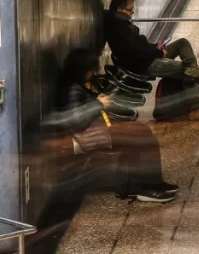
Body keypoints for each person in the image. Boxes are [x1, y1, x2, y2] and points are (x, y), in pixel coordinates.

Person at [50, 49, 179, 202]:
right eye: (91, 70)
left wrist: (96, 100)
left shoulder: (73, 83)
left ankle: (139, 185)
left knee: (141, 131)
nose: (92, 74)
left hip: (94, 129)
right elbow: (78, 120)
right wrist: (98, 104)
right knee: (142, 138)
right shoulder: (72, 89)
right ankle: (147, 187)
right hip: (89, 135)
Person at [105, 0, 199, 122]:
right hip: (145, 64)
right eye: (130, 10)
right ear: (120, 9)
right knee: (185, 71)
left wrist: (155, 47)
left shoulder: (121, 24)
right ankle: (197, 109)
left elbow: (138, 46)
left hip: (148, 57)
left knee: (182, 43)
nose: (132, 13)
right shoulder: (119, 29)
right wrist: (159, 53)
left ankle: (192, 67)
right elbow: (134, 53)